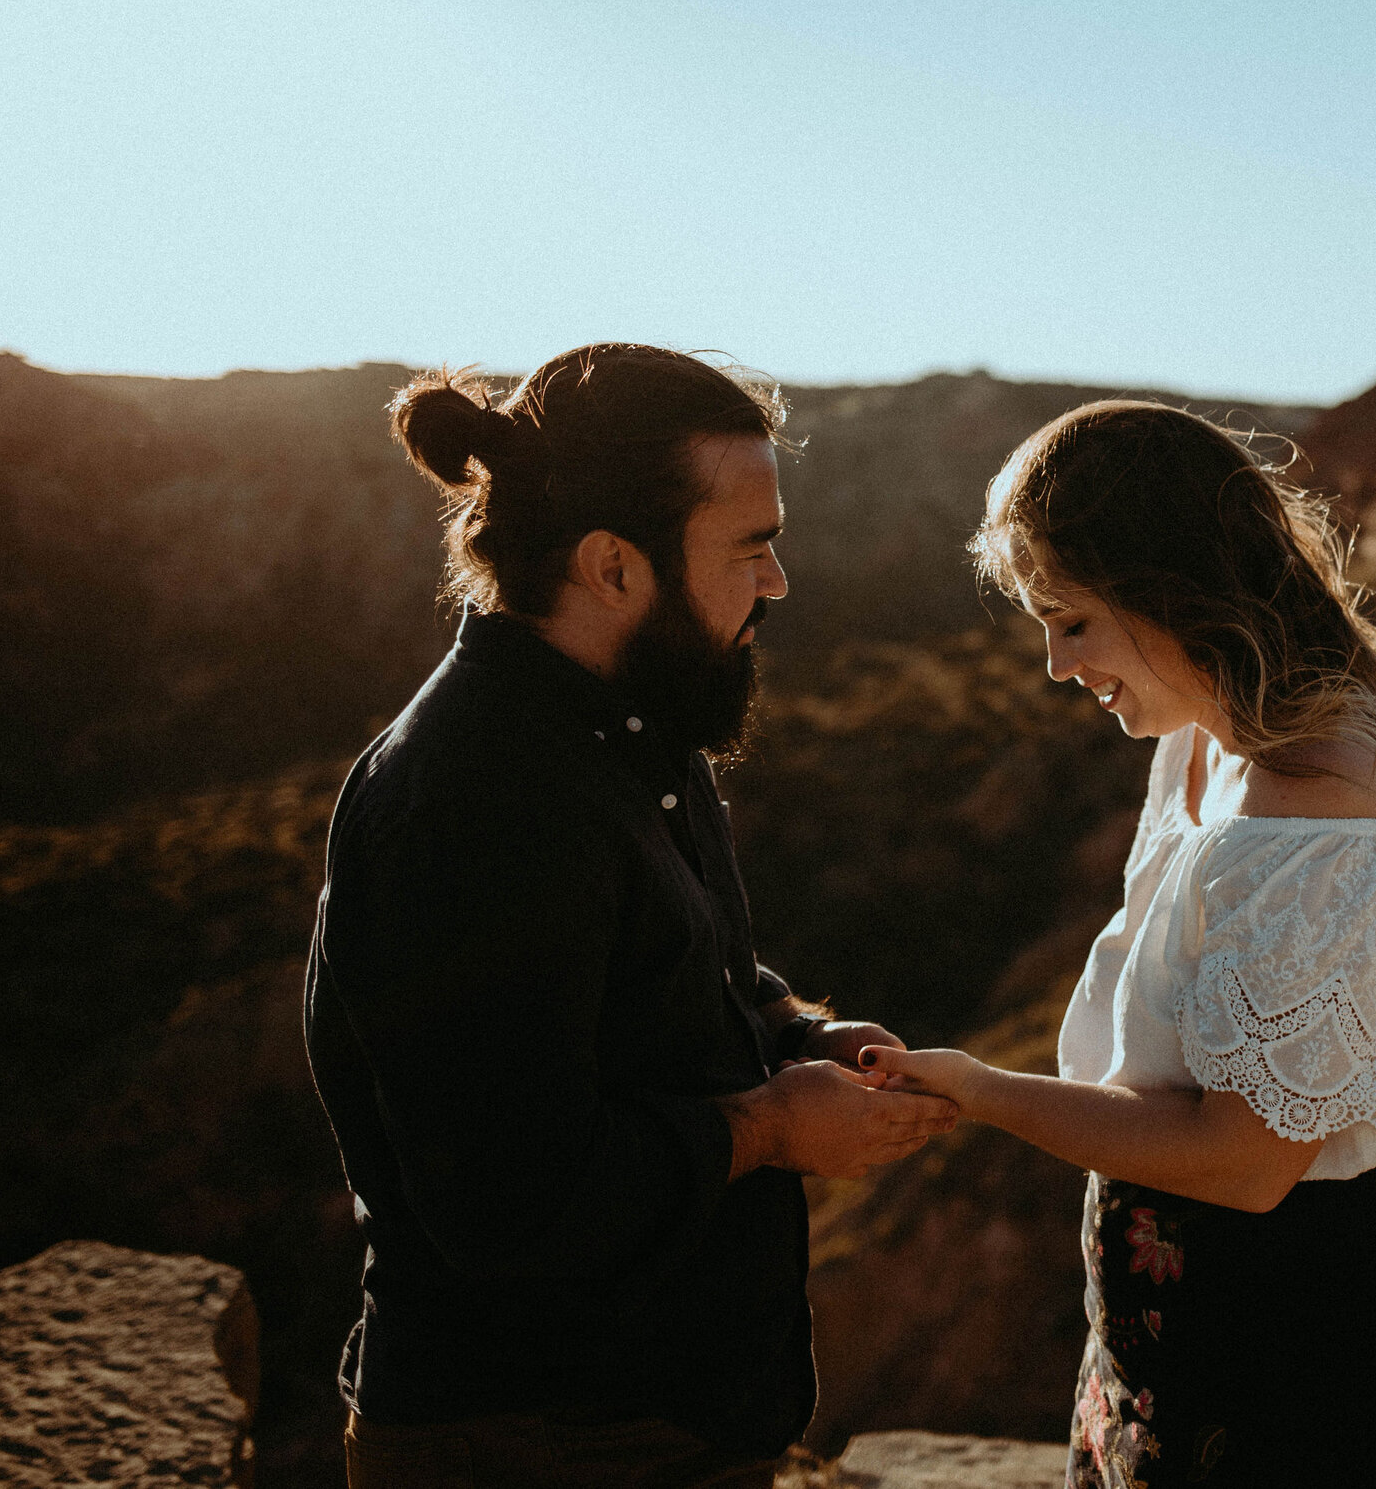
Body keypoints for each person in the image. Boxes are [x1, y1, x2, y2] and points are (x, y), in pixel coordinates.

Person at [303, 343, 959, 1489]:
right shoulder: (478, 798)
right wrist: (772, 1125)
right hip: (536, 1442)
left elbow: (684, 974)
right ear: (613, 564)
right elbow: (511, 1202)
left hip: (649, 1423)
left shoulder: (632, 723)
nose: (778, 582)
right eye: (751, 547)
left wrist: (800, 1033)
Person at [866, 400, 1376, 1489]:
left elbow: (1242, 1165)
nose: (1054, 662)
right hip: (1168, 1338)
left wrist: (978, 1091)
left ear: (1169, 586)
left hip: (1293, 1369)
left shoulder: (1320, 807)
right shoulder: (1201, 744)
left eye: (1074, 620)